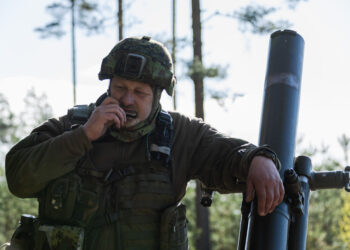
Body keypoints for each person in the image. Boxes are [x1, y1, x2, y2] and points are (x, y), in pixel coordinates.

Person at [5, 36, 284, 250]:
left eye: (139, 92)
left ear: (158, 97)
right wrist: (83, 136)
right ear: (108, 86)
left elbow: (226, 153)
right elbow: (18, 178)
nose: (127, 100)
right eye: (120, 88)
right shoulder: (71, 126)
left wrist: (257, 159)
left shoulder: (180, 134)